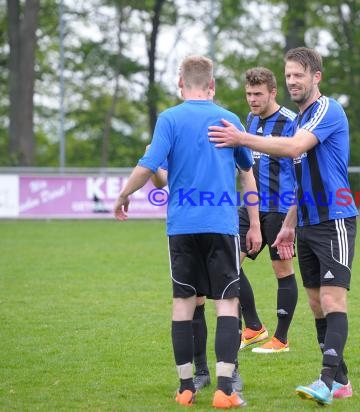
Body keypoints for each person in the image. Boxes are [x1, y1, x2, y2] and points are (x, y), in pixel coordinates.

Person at [209, 47, 358, 406]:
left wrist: (242, 138)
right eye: (288, 75)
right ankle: (343, 382)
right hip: (304, 222)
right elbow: (301, 176)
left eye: (298, 75)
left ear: (315, 77)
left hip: (334, 218)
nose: (292, 81)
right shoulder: (301, 117)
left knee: (332, 299)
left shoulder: (326, 110)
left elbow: (294, 149)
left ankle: (325, 382)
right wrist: (290, 224)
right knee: (316, 304)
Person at [114, 55, 251, 409]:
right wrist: (253, 220)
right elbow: (245, 171)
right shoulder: (229, 119)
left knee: (182, 304)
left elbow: (151, 169)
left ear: (180, 84)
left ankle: (186, 387)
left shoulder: (169, 119)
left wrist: (124, 194)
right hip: (220, 223)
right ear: (212, 85)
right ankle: (224, 390)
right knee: (227, 304)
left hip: (182, 226)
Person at [147, 157, 261, 394]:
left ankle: (230, 373)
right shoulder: (174, 126)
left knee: (228, 299)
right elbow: (160, 182)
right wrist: (154, 165)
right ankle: (201, 373)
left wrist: (254, 222)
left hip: (220, 226)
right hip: (186, 228)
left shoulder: (226, 127)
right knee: (195, 301)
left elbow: (247, 173)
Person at [237, 67, 299, 354]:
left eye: (258, 94)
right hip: (250, 205)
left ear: (273, 92)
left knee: (282, 270)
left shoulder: (290, 122)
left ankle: (281, 339)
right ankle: (252, 327)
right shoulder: (249, 120)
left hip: (279, 207)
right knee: (227, 263)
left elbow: (301, 165)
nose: (252, 99)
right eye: (249, 94)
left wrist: (292, 216)